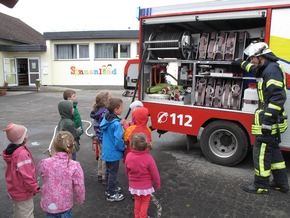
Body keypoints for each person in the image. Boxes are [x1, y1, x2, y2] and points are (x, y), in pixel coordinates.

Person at [236, 42, 289, 194]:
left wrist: (267, 122)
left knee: (261, 153)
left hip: (270, 120)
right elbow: (254, 70)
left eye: (253, 58)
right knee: (274, 152)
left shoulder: (271, 71)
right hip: (273, 119)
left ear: (261, 57)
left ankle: (260, 185)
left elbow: (277, 98)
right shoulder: (267, 67)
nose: (252, 61)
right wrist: (241, 63)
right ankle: (281, 183)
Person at [37, 131, 85, 217]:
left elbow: (42, 173)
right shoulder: (75, 166)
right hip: (65, 204)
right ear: (71, 147)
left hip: (50, 203)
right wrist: (80, 199)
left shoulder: (45, 163)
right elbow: (79, 185)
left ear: (54, 146)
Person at [2, 123, 41, 218]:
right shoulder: (22, 154)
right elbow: (26, 175)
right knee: (26, 213)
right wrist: (35, 187)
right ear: (23, 138)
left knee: (19, 212)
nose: (27, 136)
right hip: (23, 191)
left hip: (15, 189)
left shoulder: (11, 151)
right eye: (25, 134)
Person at [125, 133, 161, 218]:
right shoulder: (148, 158)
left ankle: (137, 215)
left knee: (137, 200)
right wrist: (157, 184)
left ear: (132, 145)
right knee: (145, 201)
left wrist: (130, 178)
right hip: (145, 186)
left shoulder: (129, 156)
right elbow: (155, 174)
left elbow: (127, 170)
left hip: (134, 185)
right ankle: (143, 216)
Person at [100, 98, 126, 202]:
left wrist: (119, 121)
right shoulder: (116, 124)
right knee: (113, 173)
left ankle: (109, 189)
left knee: (108, 172)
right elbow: (118, 140)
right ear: (116, 110)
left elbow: (113, 122)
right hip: (114, 153)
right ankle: (111, 193)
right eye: (121, 107)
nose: (122, 109)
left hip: (107, 151)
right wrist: (123, 148)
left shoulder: (107, 119)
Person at [90, 91, 112, 185]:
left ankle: (100, 174)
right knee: (105, 157)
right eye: (110, 100)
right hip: (104, 138)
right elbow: (106, 125)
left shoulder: (97, 110)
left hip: (99, 137)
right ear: (105, 102)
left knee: (101, 156)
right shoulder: (105, 112)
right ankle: (104, 176)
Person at [63, 89, 83, 160]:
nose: (76, 98)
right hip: (72, 135)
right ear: (69, 98)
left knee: (74, 150)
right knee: (71, 152)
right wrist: (77, 132)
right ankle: (71, 166)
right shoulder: (69, 109)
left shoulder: (74, 107)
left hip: (75, 134)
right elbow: (72, 123)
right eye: (74, 96)